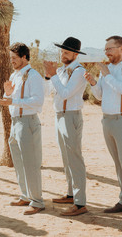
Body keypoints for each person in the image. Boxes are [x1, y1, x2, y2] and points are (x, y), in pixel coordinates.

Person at [0, 42, 45, 215]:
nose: (12, 61)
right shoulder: (15, 75)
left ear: (24, 57)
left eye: (14, 58)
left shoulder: (34, 76)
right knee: (19, 162)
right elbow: (9, 100)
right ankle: (25, 195)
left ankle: (37, 201)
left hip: (28, 122)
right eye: (11, 58)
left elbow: (38, 101)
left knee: (31, 163)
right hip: (16, 122)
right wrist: (7, 94)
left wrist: (12, 100)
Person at [43, 37, 88, 216]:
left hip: (71, 117)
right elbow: (50, 92)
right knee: (66, 157)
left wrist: (53, 75)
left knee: (75, 159)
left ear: (75, 54)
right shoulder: (61, 70)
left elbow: (66, 93)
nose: (62, 55)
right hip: (59, 116)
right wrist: (49, 75)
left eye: (66, 52)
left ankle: (80, 203)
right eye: (62, 51)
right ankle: (71, 194)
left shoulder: (78, 71)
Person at [85, 35, 122, 213]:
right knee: (117, 163)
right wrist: (93, 82)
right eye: (105, 49)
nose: (106, 52)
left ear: (120, 48)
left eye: (110, 48)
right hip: (106, 120)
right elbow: (99, 95)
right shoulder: (105, 70)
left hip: (121, 119)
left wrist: (107, 76)